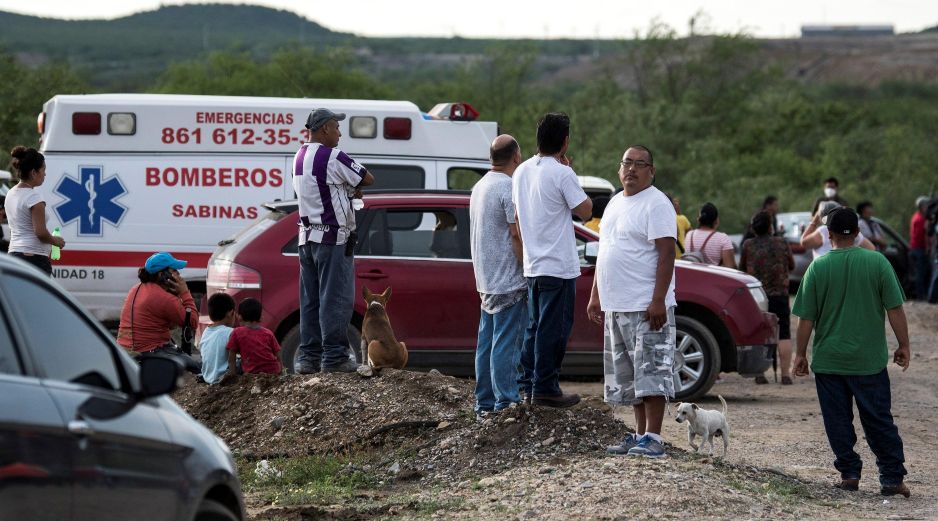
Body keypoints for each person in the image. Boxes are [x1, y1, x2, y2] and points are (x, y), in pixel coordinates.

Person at [792, 207, 912, 498]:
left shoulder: (817, 268)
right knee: (879, 419)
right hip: (868, 362)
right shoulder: (878, 262)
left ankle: (849, 474)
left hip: (830, 362)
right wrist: (903, 345)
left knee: (837, 420)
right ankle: (892, 478)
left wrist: (800, 354)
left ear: (828, 234)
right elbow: (894, 309)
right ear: (858, 233)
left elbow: (805, 319)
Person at [588, 145, 677, 459]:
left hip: (645, 305)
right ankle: (639, 435)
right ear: (619, 168)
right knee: (631, 378)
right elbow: (605, 251)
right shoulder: (613, 204)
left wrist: (658, 300)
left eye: (640, 164)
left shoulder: (656, 203)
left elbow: (667, 254)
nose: (632, 169)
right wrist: (595, 295)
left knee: (652, 372)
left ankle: (653, 437)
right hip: (616, 304)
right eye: (627, 163)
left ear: (651, 171)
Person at [512, 112, 592, 408]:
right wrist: (570, 171)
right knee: (554, 329)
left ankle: (527, 385)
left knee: (535, 327)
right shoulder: (561, 173)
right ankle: (546, 387)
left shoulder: (521, 171)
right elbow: (585, 211)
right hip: (557, 265)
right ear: (565, 141)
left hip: (533, 264)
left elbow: (518, 218)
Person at [292, 108, 375, 374]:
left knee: (311, 300)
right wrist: (351, 187)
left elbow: (324, 188)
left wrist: (344, 188)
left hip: (306, 238)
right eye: (337, 127)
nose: (340, 133)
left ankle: (308, 358)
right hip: (332, 238)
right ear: (325, 129)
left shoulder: (299, 156)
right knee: (336, 299)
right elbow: (367, 177)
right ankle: (336, 356)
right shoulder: (332, 156)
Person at [469, 134, 527, 417]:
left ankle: (484, 405)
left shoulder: (479, 186)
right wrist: (526, 267)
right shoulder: (509, 187)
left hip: (486, 279)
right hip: (509, 280)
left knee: (487, 344)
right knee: (506, 344)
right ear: (516, 156)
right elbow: (515, 233)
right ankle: (506, 403)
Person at [116, 252, 200, 371]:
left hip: (126, 350)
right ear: (162, 274)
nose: (179, 274)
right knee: (197, 369)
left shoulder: (136, 288)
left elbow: (170, 325)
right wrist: (185, 293)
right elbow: (193, 322)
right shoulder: (164, 298)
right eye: (174, 270)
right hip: (148, 353)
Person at [740, 211, 795, 385]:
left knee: (761, 334)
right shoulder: (782, 243)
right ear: (771, 226)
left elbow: (742, 269)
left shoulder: (748, 245)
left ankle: (760, 374)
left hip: (758, 297)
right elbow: (792, 265)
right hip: (780, 294)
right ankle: (785, 375)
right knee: (784, 333)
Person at [4, 146, 65, 275]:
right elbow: (41, 233)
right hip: (34, 259)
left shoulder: (10, 193)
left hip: (14, 255)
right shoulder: (34, 198)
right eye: (43, 169)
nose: (45, 174)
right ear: (33, 172)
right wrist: (56, 241)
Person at [225, 298, 283, 377]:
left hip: (252, 374)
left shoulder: (237, 332)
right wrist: (281, 371)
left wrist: (232, 373)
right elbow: (277, 353)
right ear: (261, 317)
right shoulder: (268, 333)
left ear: (240, 317)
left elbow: (231, 355)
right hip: (273, 371)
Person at [801, 201, 874, 259]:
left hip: (825, 272)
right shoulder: (852, 230)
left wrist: (814, 221)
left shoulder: (823, 231)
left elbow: (804, 243)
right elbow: (871, 249)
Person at [683, 203, 737, 268]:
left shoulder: (689, 235)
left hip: (691, 277)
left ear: (699, 219)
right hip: (713, 277)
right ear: (717, 220)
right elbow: (730, 267)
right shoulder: (722, 238)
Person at [199, 292, 237, 385]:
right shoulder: (230, 332)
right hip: (222, 378)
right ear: (230, 313)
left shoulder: (206, 331)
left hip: (207, 377)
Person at [909, 196, 931, 301]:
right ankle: (921, 297)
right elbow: (921, 236)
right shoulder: (920, 219)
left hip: (917, 249)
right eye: (927, 205)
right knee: (920, 274)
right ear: (922, 206)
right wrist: (928, 247)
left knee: (921, 273)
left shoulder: (918, 217)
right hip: (919, 249)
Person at [668, 193, 692, 259]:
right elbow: (690, 233)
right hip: (681, 255)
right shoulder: (683, 218)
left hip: (668, 255)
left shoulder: (663, 218)